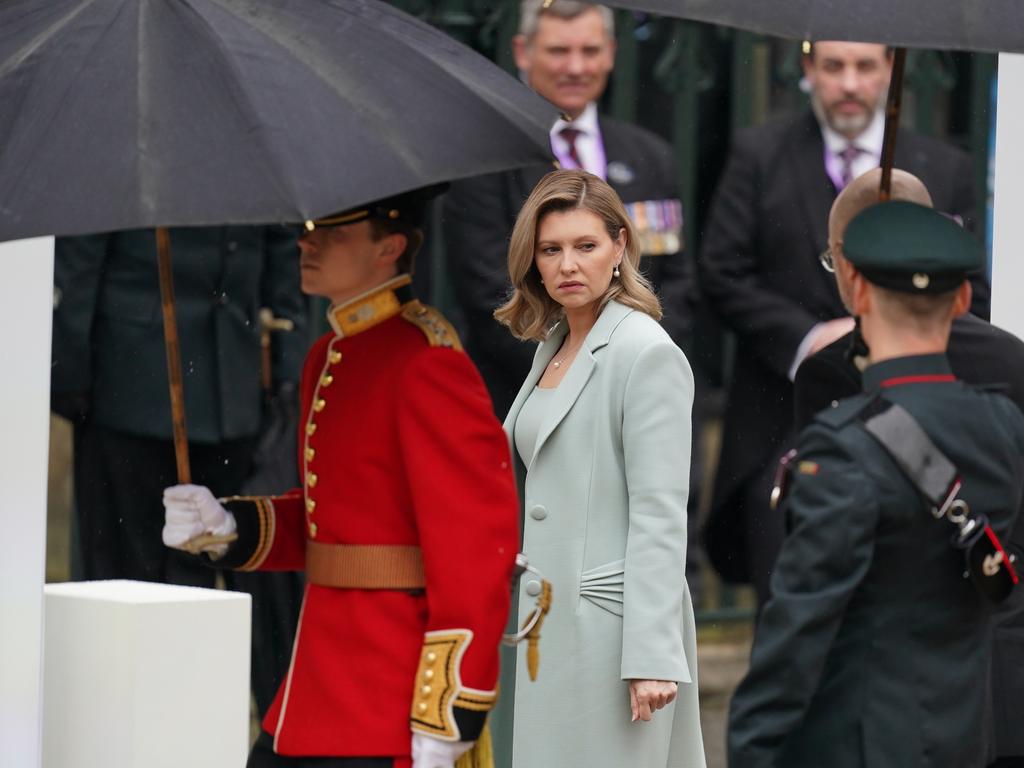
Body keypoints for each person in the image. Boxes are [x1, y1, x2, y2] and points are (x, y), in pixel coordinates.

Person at [161, 188, 520, 768]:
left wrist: (450, 706)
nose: (307, 242)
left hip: (389, 687)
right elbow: (328, 521)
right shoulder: (329, 353)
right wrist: (229, 525)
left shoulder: (428, 362)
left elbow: (475, 552)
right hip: (316, 680)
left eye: (335, 232)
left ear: (391, 247)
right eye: (308, 228)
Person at [727, 199, 1024, 767]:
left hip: (862, 742)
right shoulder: (1003, 424)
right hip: (967, 732)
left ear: (857, 293)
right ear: (962, 300)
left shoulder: (840, 445)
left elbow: (799, 628)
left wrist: (753, 747)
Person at [699, 40, 985, 601]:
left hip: (916, 425)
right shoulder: (759, 154)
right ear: (808, 69)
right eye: (833, 67)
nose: (849, 83)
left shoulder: (944, 168)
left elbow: (972, 285)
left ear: (890, 71)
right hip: (784, 424)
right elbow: (722, 271)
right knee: (787, 598)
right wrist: (811, 338)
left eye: (864, 67)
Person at [493, 169, 705, 768]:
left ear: (619, 246)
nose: (568, 265)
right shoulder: (552, 342)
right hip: (537, 627)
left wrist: (652, 656)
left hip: (610, 637)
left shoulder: (648, 351)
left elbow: (661, 513)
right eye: (551, 249)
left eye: (585, 246)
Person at [50, 225, 308, 715]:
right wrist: (74, 382)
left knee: (234, 580)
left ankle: (200, 718)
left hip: (235, 384)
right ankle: (126, 718)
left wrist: (290, 368)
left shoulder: (252, 150)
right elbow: (81, 259)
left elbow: (280, 246)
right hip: (130, 389)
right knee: (127, 585)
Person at [444, 0, 692, 419]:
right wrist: (574, 378)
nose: (576, 67)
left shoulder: (651, 156)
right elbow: (488, 293)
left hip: (639, 399)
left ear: (611, 52)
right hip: (526, 402)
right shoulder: (486, 161)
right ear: (523, 52)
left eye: (590, 51)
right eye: (559, 51)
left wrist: (634, 371)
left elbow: (677, 285)